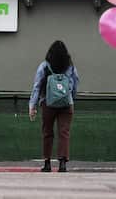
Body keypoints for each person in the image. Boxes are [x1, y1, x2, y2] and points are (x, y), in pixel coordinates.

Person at [28, 39, 79, 172]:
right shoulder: (70, 66)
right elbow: (75, 83)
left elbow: (37, 86)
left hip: (48, 103)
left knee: (47, 132)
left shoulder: (45, 66)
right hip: (66, 104)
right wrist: (71, 98)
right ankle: (62, 164)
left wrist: (32, 105)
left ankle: (47, 163)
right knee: (64, 133)